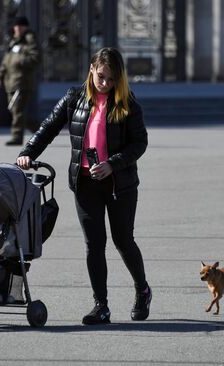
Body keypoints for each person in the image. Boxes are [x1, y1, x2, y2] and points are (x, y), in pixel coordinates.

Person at [16, 47, 152, 325]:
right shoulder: (74, 98)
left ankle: (142, 290)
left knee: (123, 241)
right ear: (92, 69)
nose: (106, 83)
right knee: (94, 244)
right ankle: (101, 306)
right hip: (86, 183)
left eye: (112, 79)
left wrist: (113, 163)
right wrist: (29, 152)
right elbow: (48, 127)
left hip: (119, 185)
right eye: (102, 76)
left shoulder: (128, 103)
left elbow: (140, 143)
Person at [0, 15, 41, 146]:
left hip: (23, 82)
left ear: (26, 27)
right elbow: (6, 61)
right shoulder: (13, 42)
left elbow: (36, 58)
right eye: (16, 26)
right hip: (11, 82)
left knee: (18, 111)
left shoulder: (30, 41)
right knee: (15, 110)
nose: (18, 29)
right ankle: (41, 130)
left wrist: (19, 60)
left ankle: (16, 137)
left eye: (21, 26)